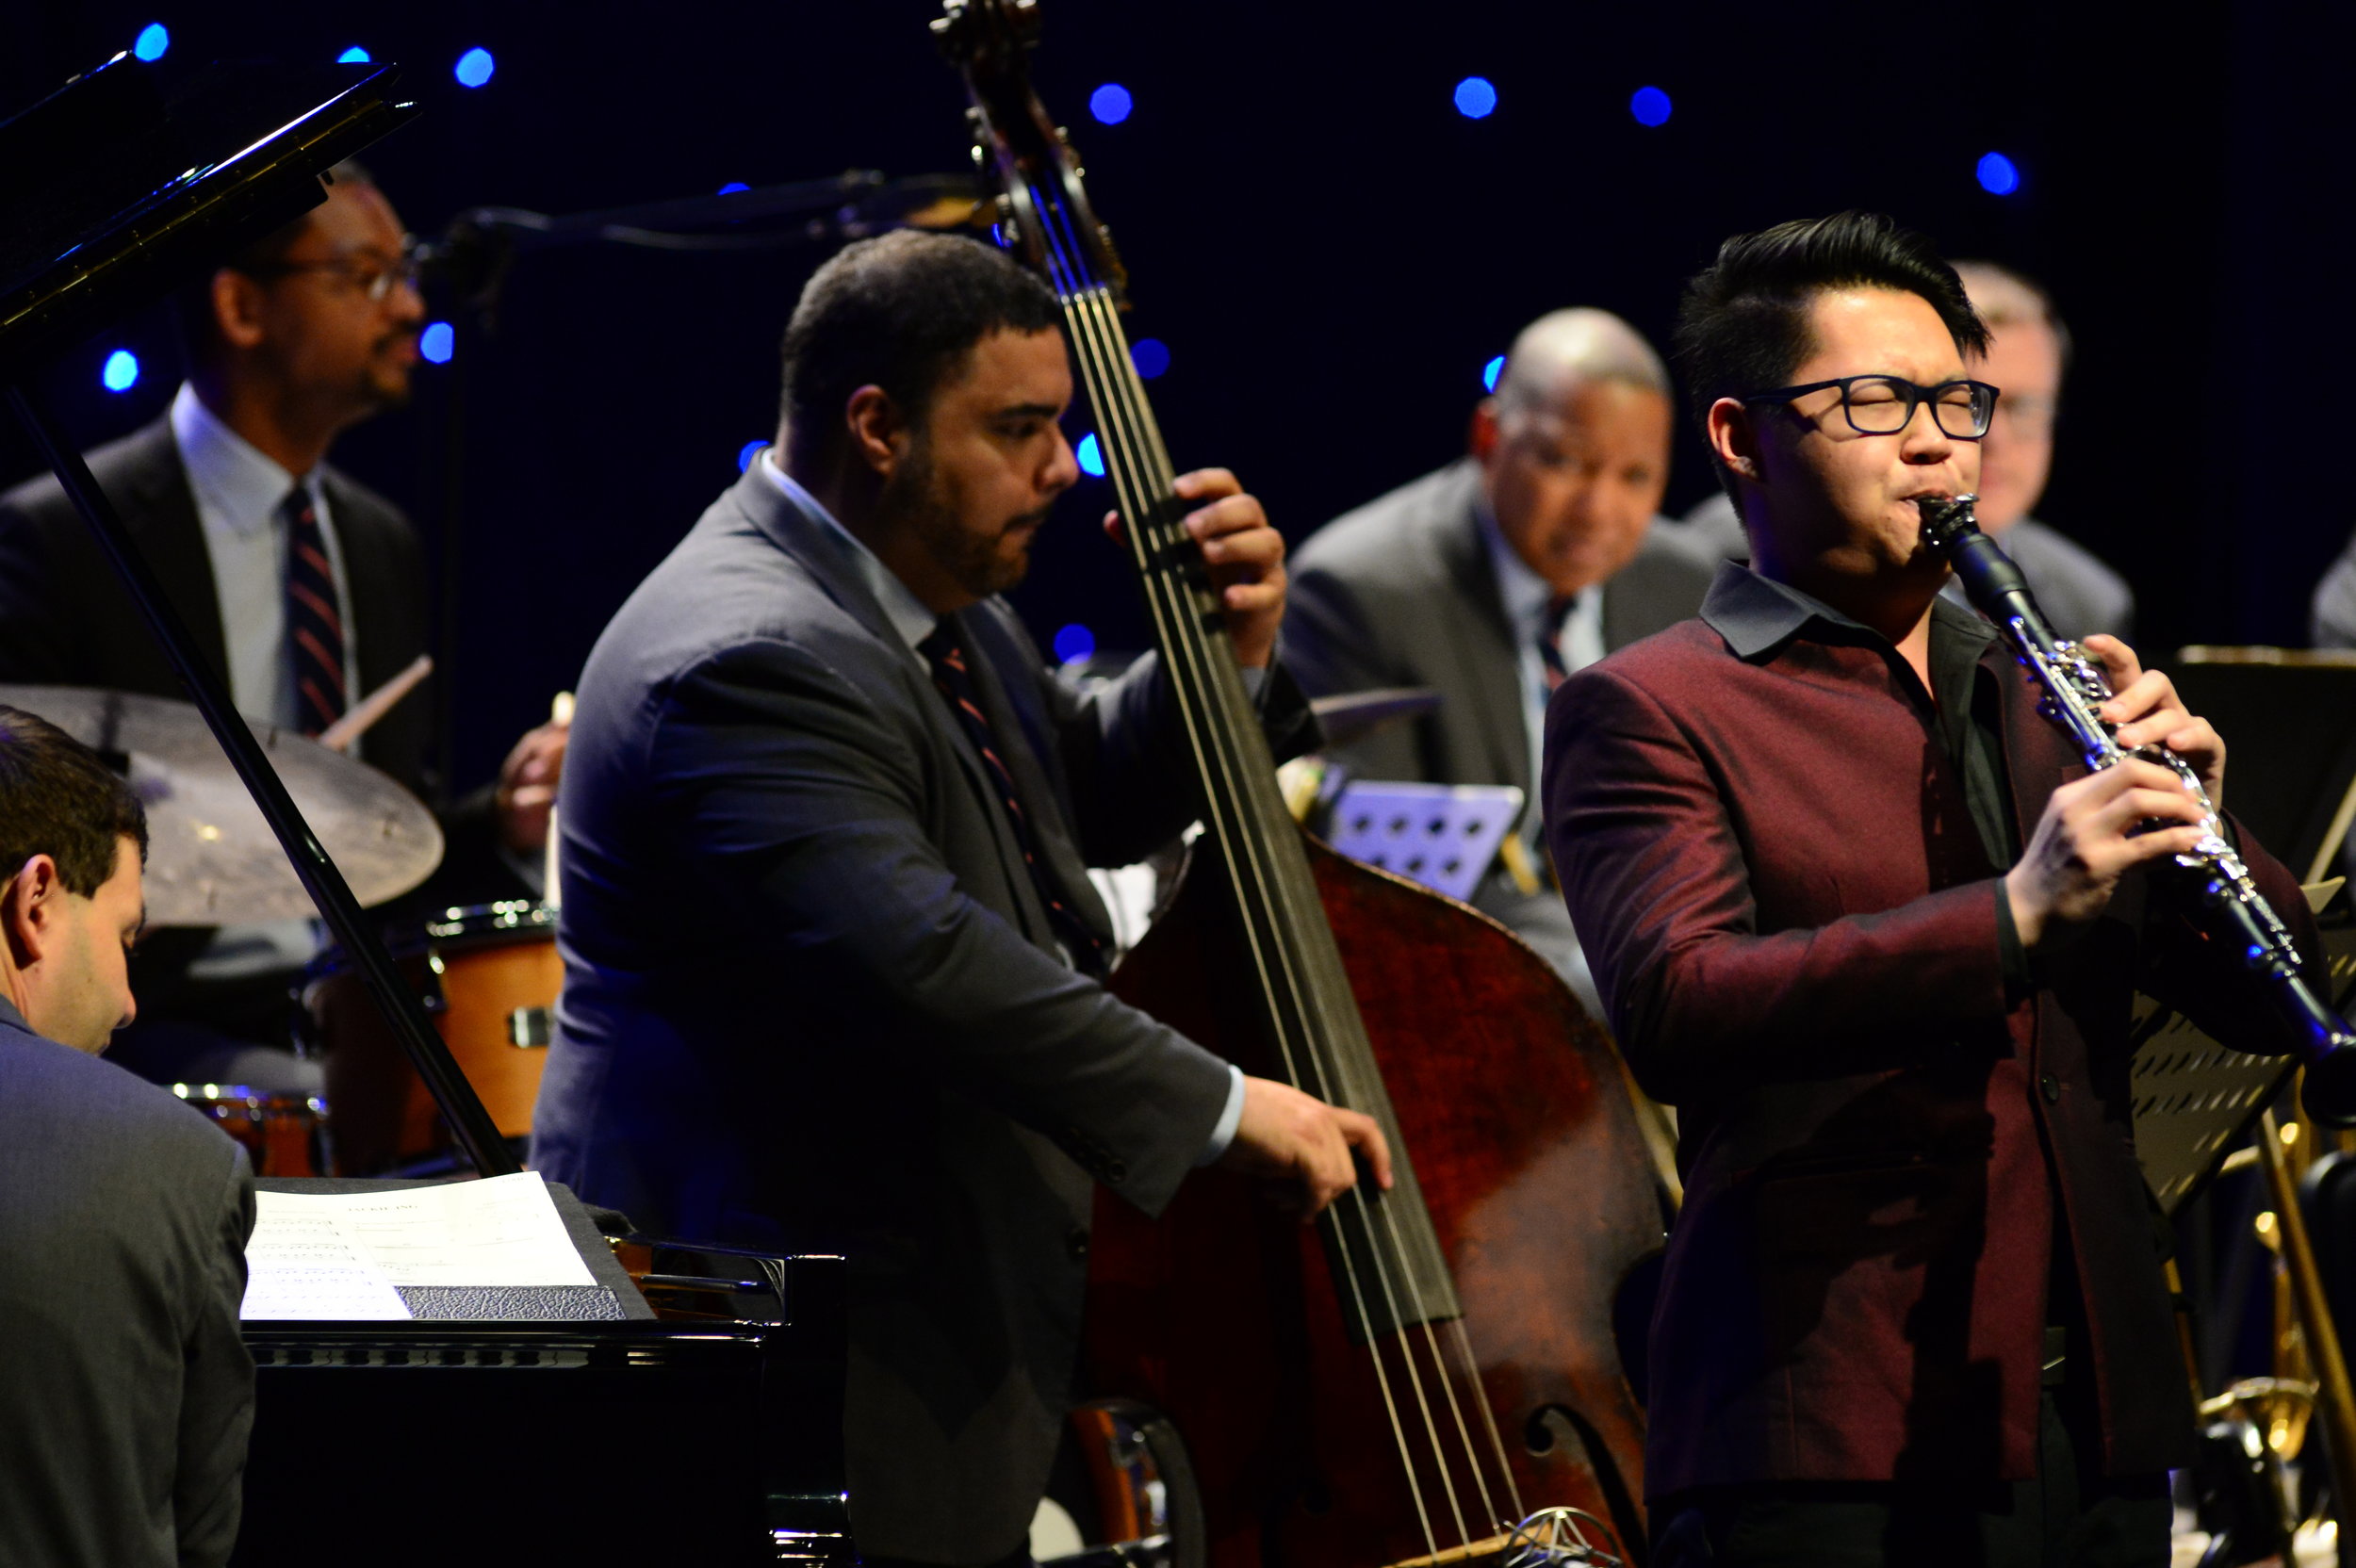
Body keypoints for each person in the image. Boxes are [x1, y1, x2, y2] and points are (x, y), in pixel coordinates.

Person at [531, 230, 1390, 1567]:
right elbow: (929, 961)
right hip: (781, 1356)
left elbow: (1078, 793)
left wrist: (1224, 659)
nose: (1063, 469)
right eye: (1020, 428)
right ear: (877, 426)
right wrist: (1226, 1107)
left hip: (902, 1324)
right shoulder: (748, 654)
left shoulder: (922, 592)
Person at [1543, 212, 2317, 1568]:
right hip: (1830, 1429)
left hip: (2103, 1414)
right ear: (1740, 438)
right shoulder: (1650, 706)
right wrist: (2014, 914)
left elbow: (2272, 1001)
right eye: (1876, 403)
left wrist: (2208, 818)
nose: (1938, 444)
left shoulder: (2038, 678)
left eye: (1960, 401)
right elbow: (1679, 1004)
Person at [0, 162, 564, 1090]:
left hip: (356, 999)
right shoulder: (64, 534)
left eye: (406, 271)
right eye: (364, 277)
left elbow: (378, 826)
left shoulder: (380, 541)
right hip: (154, 1016)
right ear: (242, 307)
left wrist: (498, 815)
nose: (408, 309)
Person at [1284, 308, 1712, 1008]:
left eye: (1636, 477)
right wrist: (1612, 970)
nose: (1598, 509)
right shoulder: (1361, 590)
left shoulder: (1684, 580)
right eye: (1564, 462)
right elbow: (1390, 872)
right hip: (1462, 989)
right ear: (1489, 437)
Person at [0, 705, 255, 1568]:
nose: (129, 1001)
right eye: (123, 936)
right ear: (35, 900)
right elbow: (202, 1536)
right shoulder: (173, 1163)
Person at [1675, 260, 2135, 643]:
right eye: (1962, 401)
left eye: (2024, 407)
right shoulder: (1712, 555)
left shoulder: (2089, 599)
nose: (1988, 438)